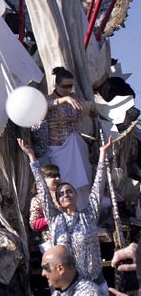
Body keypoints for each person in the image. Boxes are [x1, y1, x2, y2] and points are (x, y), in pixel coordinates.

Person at [20, 136, 110, 296]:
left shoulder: (88, 215)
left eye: (69, 191)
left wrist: (103, 154)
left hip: (94, 285)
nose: (65, 194)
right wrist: (32, 158)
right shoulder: (55, 220)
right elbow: (42, 190)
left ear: (76, 195)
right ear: (58, 201)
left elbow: (98, 186)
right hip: (66, 290)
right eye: (61, 193)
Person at [44, 67, 96, 208]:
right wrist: (62, 100)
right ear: (56, 85)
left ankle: (84, 209)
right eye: (64, 86)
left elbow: (89, 108)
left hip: (75, 144)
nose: (68, 89)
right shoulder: (48, 99)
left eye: (70, 86)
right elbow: (41, 108)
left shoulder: (76, 98)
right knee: (64, 180)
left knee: (83, 181)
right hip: (58, 146)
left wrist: (89, 106)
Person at [28, 164, 62, 241]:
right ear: (43, 179)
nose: (57, 178)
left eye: (58, 175)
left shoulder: (63, 194)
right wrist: (51, 218)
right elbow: (34, 224)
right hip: (53, 242)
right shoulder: (37, 200)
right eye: (53, 176)